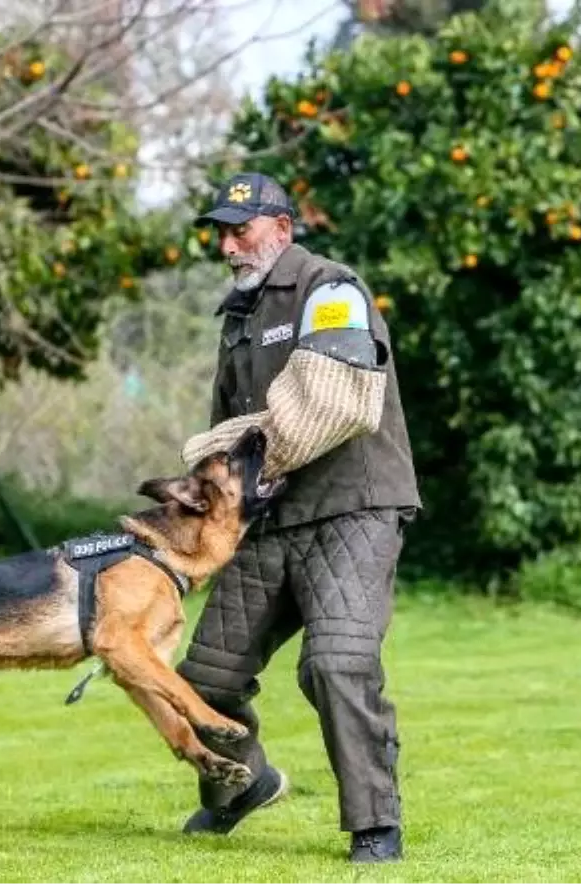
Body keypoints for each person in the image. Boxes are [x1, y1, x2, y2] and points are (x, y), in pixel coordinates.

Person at [174, 172, 421, 864]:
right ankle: (242, 785)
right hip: (270, 519)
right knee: (203, 681)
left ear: (282, 229)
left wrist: (233, 448)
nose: (228, 244)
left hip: (352, 509)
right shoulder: (239, 316)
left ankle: (375, 824)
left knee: (337, 663)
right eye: (221, 232)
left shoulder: (331, 290)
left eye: (241, 230)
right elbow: (228, 433)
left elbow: (333, 408)